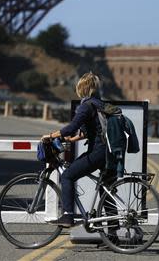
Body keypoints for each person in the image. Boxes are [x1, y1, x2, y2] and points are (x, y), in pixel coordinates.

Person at [41, 72, 115, 228]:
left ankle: (68, 215)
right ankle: (113, 235)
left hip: (99, 151)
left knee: (67, 176)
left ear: (83, 89)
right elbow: (87, 132)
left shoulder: (86, 106)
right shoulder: (101, 104)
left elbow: (72, 127)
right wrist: (70, 140)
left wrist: (51, 135)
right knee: (105, 190)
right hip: (110, 152)